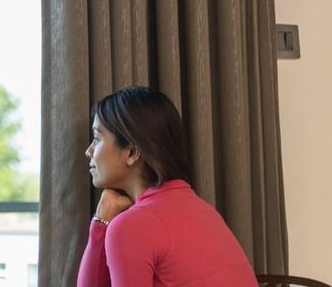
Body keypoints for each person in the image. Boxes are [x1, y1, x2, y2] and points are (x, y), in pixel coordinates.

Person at [76, 86, 256, 287]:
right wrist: (103, 218)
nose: (88, 151)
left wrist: (101, 223)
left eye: (97, 139)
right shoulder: (202, 210)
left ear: (132, 153)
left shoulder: (132, 226)